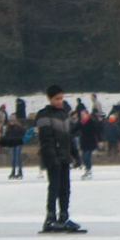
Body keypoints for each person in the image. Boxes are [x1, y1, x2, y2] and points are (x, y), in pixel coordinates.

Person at [36, 84, 83, 232]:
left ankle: (64, 215)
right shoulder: (44, 115)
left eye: (61, 98)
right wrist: (52, 158)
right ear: (50, 99)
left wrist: (76, 155)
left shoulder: (64, 114)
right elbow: (46, 140)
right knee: (54, 187)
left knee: (65, 188)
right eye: (57, 98)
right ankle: (50, 217)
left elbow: (68, 138)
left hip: (64, 157)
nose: (60, 101)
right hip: (52, 158)